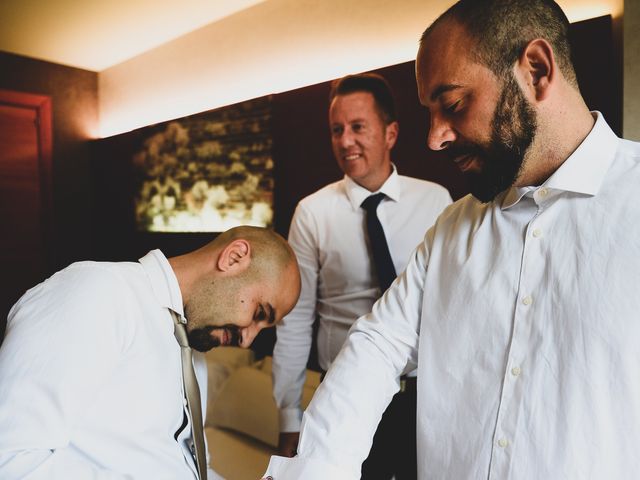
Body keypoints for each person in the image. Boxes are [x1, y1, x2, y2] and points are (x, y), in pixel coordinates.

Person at [262, 0, 640, 478]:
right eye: (431, 113)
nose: (435, 138)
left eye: (455, 105)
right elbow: (378, 345)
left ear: (537, 71)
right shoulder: (451, 229)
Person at [0, 225, 301, 480]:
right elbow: (10, 456)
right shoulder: (98, 292)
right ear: (233, 258)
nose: (247, 340)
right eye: (259, 312)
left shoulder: (191, 350)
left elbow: (179, 462)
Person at [271, 72, 451, 479]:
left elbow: (451, 306)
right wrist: (289, 415)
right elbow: (295, 320)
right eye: (337, 130)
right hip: (342, 396)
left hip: (422, 397)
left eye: (357, 127)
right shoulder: (313, 212)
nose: (345, 141)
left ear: (390, 133)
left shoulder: (436, 201)